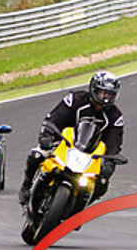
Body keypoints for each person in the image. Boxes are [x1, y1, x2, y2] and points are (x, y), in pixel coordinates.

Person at [18, 70, 124, 207]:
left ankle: (79, 210)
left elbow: (114, 142)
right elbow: (56, 117)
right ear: (93, 89)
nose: (105, 97)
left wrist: (110, 163)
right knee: (37, 155)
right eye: (102, 92)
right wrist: (47, 135)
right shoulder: (75, 99)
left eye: (110, 94)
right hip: (63, 143)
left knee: (102, 183)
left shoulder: (116, 117)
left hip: (91, 155)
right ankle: (26, 186)